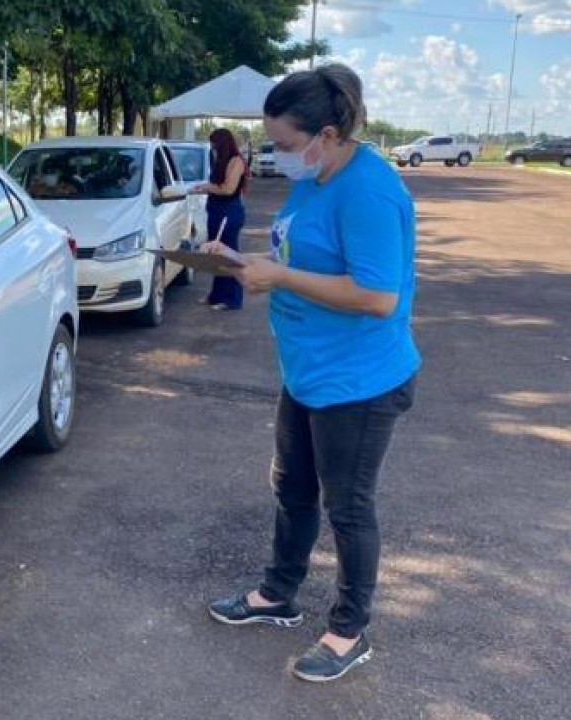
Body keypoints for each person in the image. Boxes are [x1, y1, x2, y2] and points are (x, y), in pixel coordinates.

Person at [204, 63, 421, 683]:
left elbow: (377, 296)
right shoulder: (318, 177)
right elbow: (294, 254)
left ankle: (350, 631)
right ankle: (278, 594)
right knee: (291, 487)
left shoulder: (369, 191)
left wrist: (281, 278)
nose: (278, 156)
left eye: (286, 145)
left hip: (360, 381)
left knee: (348, 508)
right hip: (307, 371)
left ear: (327, 134)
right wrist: (243, 260)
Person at [191, 129, 249, 311]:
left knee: (229, 255)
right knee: (216, 254)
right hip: (216, 210)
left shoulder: (236, 161)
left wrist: (208, 186)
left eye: (215, 145)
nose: (213, 148)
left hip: (229, 212)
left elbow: (228, 189)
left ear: (223, 144)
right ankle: (216, 295)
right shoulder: (220, 161)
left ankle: (232, 299)